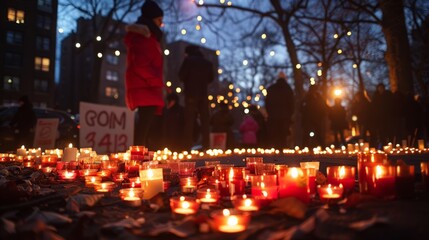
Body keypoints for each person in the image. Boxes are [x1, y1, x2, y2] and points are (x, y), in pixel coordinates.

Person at [124, 0, 165, 146]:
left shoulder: (150, 38)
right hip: (145, 88)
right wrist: (155, 81)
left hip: (147, 88)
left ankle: (140, 158)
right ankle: (137, 160)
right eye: (160, 20)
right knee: (143, 130)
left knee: (145, 129)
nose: (162, 24)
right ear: (152, 19)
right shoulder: (143, 37)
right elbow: (140, 65)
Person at [179, 45, 214, 150]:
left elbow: (181, 76)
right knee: (205, 121)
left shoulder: (188, 61)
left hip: (191, 94)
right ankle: (206, 146)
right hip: (203, 94)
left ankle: (187, 147)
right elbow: (211, 78)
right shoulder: (207, 63)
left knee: (189, 121)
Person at [265, 71, 294, 149]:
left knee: (275, 133)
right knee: (283, 134)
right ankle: (281, 149)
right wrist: (290, 114)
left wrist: (270, 113)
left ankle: (277, 149)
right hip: (285, 116)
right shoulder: (288, 89)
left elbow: (267, 103)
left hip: (273, 116)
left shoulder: (271, 89)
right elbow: (291, 103)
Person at [369, 83, 393, 147]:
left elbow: (391, 105)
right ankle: (383, 143)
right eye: (379, 88)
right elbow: (373, 107)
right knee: (380, 131)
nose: (380, 89)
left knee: (387, 130)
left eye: (382, 88)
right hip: (378, 117)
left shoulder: (388, 95)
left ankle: (389, 143)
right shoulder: (376, 96)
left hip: (387, 116)